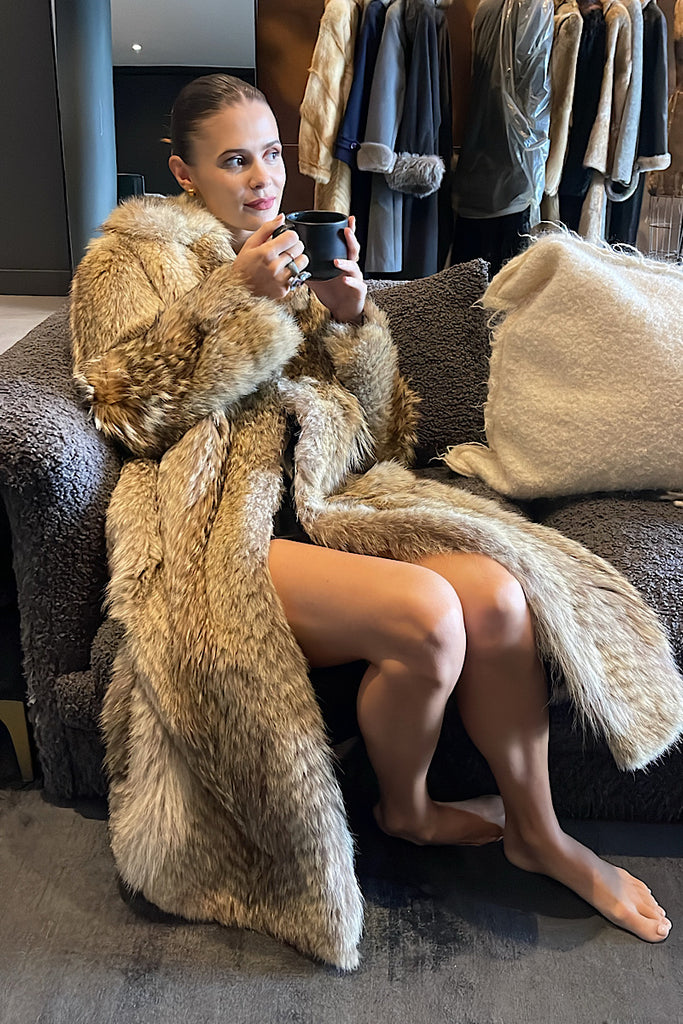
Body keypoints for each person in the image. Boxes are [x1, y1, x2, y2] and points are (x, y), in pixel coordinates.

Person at [71, 74, 676, 959]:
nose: (261, 177)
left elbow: (384, 436)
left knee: (496, 597)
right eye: (233, 161)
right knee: (428, 615)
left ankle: (537, 832)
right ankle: (410, 811)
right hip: (214, 523)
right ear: (184, 172)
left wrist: (352, 321)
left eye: (271, 154)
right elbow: (122, 406)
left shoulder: (292, 254)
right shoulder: (126, 260)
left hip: (327, 507)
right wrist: (231, 295)